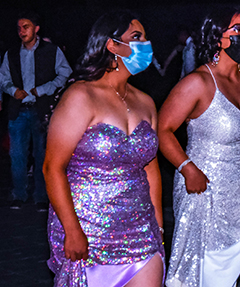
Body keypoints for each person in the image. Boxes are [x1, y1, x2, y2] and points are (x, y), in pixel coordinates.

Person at [158, 8, 240, 287]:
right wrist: (187, 168)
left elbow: (238, 132)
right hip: (206, 190)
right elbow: (163, 130)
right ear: (218, 37)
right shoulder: (198, 82)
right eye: (237, 30)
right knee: (207, 279)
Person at [43, 10, 164, 286]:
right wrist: (72, 230)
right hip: (89, 230)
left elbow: (151, 168)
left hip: (141, 230)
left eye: (145, 37)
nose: (145, 44)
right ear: (112, 45)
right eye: (136, 37)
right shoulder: (81, 96)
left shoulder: (146, 102)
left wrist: (158, 225)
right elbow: (53, 167)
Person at [0, 11, 72, 211]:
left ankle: (41, 196)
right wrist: (13, 90)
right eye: (19, 28)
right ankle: (19, 195)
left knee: (42, 154)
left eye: (26, 27)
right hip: (18, 110)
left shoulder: (51, 50)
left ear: (36, 28)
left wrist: (43, 89)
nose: (22, 31)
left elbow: (65, 72)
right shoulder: (12, 53)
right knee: (17, 155)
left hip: (41, 111)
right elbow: (3, 77)